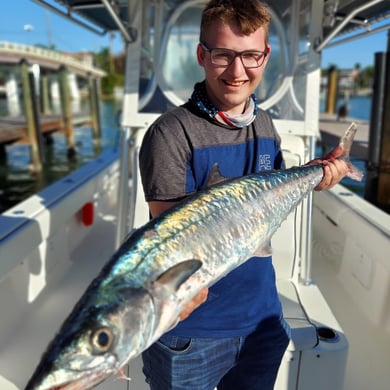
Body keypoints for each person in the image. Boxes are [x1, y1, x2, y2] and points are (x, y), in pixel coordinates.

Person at [139, 1, 349, 389]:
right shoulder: (169, 133)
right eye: (223, 56)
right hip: (191, 333)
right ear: (202, 55)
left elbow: (272, 199)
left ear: (265, 56)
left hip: (263, 322)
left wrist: (315, 175)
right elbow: (172, 245)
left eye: (251, 55)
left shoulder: (265, 123)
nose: (238, 72)